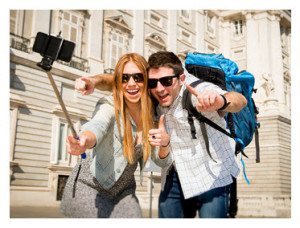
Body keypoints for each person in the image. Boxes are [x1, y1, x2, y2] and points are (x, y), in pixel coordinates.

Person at [75, 51, 247, 218]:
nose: (159, 88)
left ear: (181, 79)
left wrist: (219, 100)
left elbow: (239, 101)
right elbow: (117, 82)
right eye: (153, 82)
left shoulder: (197, 91)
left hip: (212, 174)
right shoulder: (152, 94)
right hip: (176, 173)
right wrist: (93, 81)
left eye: (166, 81)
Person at [60, 53, 170, 218]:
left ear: (146, 80)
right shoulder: (110, 105)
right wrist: (84, 140)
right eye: (125, 78)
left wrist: (164, 144)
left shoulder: (153, 118)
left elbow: (159, 161)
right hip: (90, 187)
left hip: (124, 193)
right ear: (119, 82)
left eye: (138, 77)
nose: (131, 83)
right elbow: (97, 125)